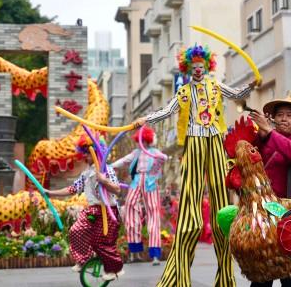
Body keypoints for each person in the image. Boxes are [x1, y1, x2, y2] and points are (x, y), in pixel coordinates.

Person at [133, 44, 257, 286]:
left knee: (222, 201)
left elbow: (236, 95)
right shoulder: (184, 92)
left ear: (207, 67)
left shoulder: (215, 85)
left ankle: (225, 277)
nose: (198, 71)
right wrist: (144, 119)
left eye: (201, 67)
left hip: (214, 139)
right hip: (195, 142)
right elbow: (166, 111)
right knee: (190, 205)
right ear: (188, 69)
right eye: (194, 68)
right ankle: (178, 277)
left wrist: (251, 86)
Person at [250, 93, 291, 287]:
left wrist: (270, 133)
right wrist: (259, 138)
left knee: (289, 275)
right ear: (273, 119)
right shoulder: (266, 138)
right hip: (265, 211)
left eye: (289, 115)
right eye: (280, 115)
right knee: (262, 272)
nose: (283, 119)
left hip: (289, 214)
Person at [44, 135, 124, 281]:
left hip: (108, 211)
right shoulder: (86, 174)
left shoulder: (107, 170)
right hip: (92, 210)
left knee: (101, 243)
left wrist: (104, 180)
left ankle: (112, 270)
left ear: (96, 152)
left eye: (87, 153)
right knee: (75, 231)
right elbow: (72, 189)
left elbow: (117, 190)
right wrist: (51, 193)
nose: (84, 156)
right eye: (84, 153)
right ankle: (83, 260)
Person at [111, 126, 167, 266]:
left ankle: (155, 254)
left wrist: (157, 159)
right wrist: (110, 166)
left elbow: (163, 157)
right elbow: (124, 160)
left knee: (153, 213)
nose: (141, 142)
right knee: (130, 207)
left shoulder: (154, 152)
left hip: (150, 182)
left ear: (148, 140)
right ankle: (135, 251)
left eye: (143, 140)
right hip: (137, 181)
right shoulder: (136, 153)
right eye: (140, 140)